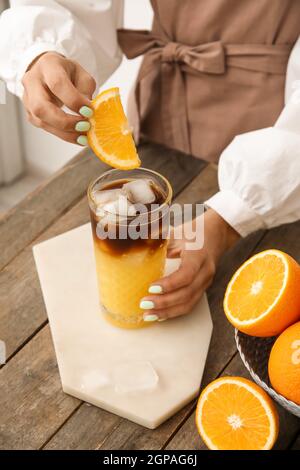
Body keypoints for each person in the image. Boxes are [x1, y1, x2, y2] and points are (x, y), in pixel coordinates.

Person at [0, 0, 299, 322]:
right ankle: (123, 307)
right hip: (159, 117)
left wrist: (229, 220)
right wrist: (44, 53)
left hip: (277, 149)